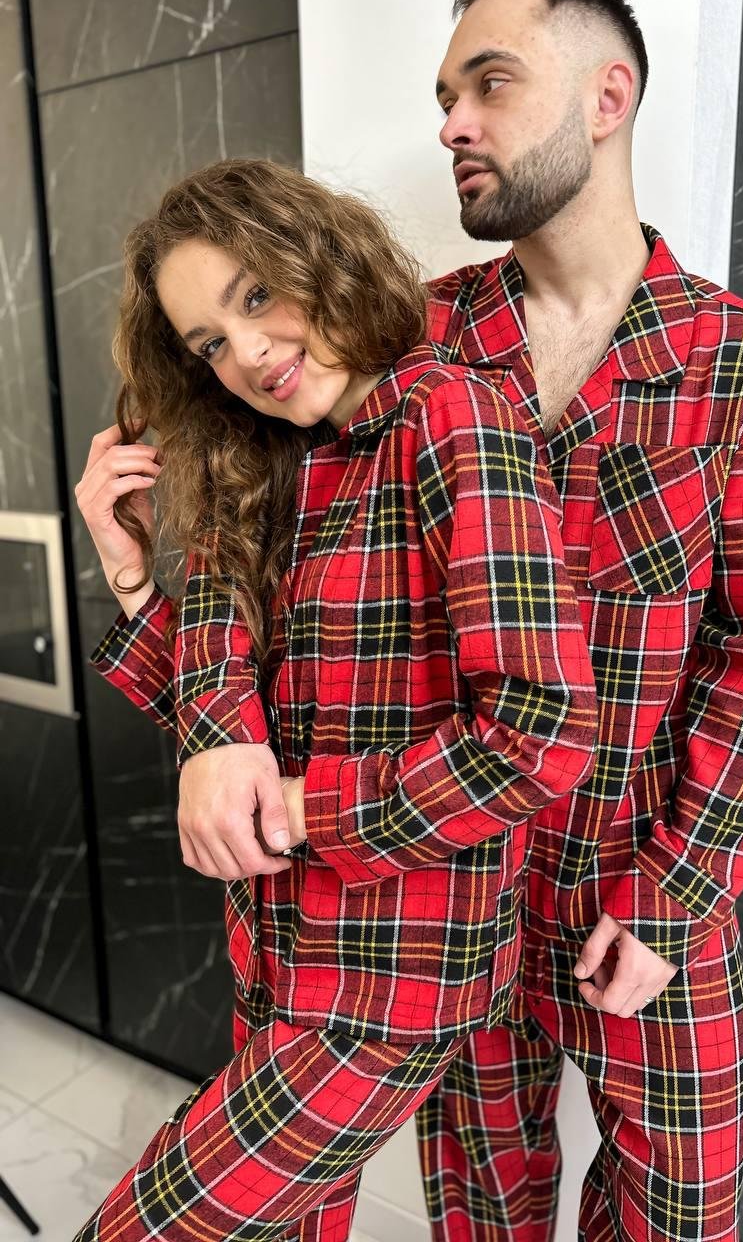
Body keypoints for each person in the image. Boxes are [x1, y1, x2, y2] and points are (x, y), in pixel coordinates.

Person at [81, 0, 743, 1239]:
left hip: (633, 873)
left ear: (606, 97)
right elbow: (250, 554)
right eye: (442, 97)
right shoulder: (398, 337)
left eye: (490, 84)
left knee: (679, 1205)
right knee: (482, 1208)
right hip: (434, 880)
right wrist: (189, 668)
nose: (452, 125)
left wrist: (678, 891)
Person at [70, 156, 599, 1239]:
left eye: (256, 295)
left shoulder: (454, 421)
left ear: (323, 257)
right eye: (209, 343)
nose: (248, 351)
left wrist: (300, 809)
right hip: (274, 948)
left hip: (390, 981)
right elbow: (226, 748)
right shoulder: (258, 466)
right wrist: (130, 579)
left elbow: (540, 733)